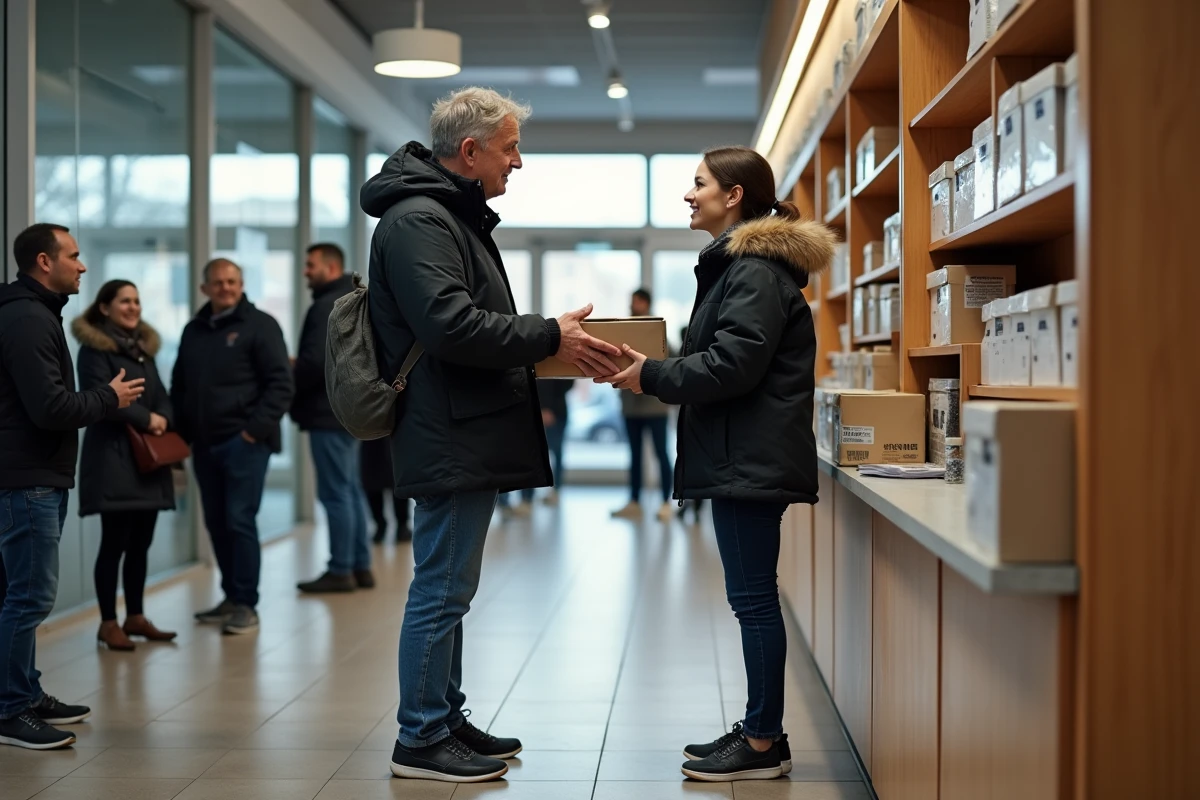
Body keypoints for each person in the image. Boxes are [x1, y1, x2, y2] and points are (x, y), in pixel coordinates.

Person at [361, 87, 621, 783]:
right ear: (470, 151)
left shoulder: (447, 216)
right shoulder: (420, 221)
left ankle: (445, 715)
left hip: (460, 425)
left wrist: (546, 337)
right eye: (510, 148)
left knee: (453, 588)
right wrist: (546, 333)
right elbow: (450, 326)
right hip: (444, 429)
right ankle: (419, 738)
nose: (519, 162)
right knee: (441, 587)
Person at [599, 146, 835, 782]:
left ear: (734, 197)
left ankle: (762, 744)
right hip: (744, 454)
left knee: (754, 601)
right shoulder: (744, 268)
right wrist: (656, 368)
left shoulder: (753, 270)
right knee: (751, 598)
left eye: (698, 184)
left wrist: (651, 374)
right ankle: (762, 732)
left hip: (748, 458)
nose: (688, 194)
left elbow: (733, 365)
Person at [0, 223, 145, 749]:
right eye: (75, 255)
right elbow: (51, 408)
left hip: (31, 478)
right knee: (29, 597)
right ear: (44, 261)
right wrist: (109, 397)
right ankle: (10, 710)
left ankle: (23, 692)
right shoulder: (27, 319)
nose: (83, 265)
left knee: (19, 595)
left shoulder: (34, 314)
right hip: (29, 481)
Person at [172, 258, 293, 636]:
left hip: (244, 444)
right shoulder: (194, 330)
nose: (226, 288)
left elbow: (281, 384)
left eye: (233, 281)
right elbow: (180, 384)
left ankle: (246, 604)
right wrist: (183, 435)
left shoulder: (260, 325)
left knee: (240, 520)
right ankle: (229, 595)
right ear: (204, 287)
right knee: (217, 523)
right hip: (204, 445)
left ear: (241, 285)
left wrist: (252, 432)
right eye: (218, 282)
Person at [73, 280, 178, 651]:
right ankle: (107, 622)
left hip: (147, 461)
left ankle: (135, 616)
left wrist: (162, 416)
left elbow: (161, 395)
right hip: (114, 459)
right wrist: (148, 419)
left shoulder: (142, 350)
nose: (133, 307)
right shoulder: (94, 350)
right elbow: (100, 398)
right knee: (114, 543)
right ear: (104, 308)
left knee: (141, 543)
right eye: (124, 301)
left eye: (136, 301)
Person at [292, 244, 374, 594]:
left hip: (326, 412)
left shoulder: (325, 306)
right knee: (351, 489)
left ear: (331, 266)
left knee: (336, 493)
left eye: (310, 265)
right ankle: (360, 565)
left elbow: (314, 364)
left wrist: (290, 375)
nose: (306, 271)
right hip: (350, 409)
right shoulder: (355, 298)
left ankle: (341, 568)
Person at [611, 288, 674, 522]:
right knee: (634, 455)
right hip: (631, 407)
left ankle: (666, 502)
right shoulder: (624, 329)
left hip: (655, 406)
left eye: (637, 301)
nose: (633, 305)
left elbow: (672, 360)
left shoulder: (657, 330)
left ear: (646, 303)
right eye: (632, 301)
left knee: (661, 454)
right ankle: (634, 501)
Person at [500, 378, 572, 515]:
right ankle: (527, 498)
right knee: (530, 453)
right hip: (533, 408)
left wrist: (547, 406)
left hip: (554, 411)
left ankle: (554, 491)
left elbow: (565, 382)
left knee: (554, 451)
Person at [361, 437, 411, 544]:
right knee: (373, 484)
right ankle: (381, 525)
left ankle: (401, 525)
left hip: (390, 436)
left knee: (397, 483)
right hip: (373, 437)